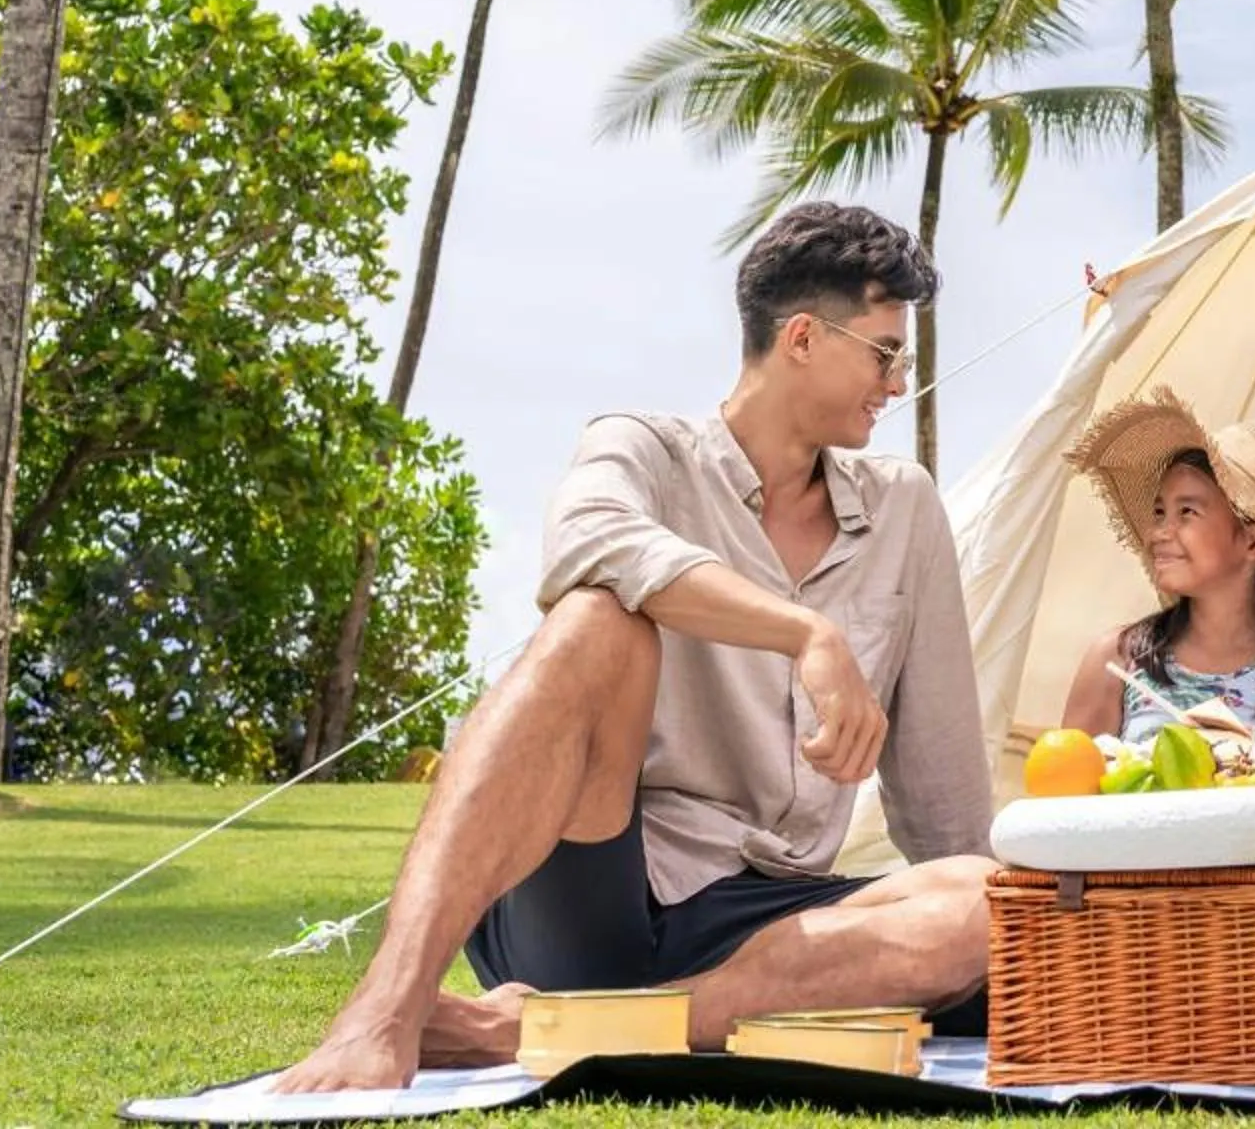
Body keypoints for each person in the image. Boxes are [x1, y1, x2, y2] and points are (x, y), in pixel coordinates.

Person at [279, 204, 997, 1093]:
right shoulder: (643, 449)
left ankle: (534, 1030)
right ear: (804, 338)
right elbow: (589, 540)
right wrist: (804, 631)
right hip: (594, 891)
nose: (896, 383)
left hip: (766, 925)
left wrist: (988, 927)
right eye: (886, 353)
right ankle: (384, 1010)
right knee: (598, 619)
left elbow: (942, 794)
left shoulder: (905, 507)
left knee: (986, 900)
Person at [1058, 394, 1255, 808]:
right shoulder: (1117, 658)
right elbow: (1060, 811)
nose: (1159, 533)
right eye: (1160, 511)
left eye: (1187, 513)